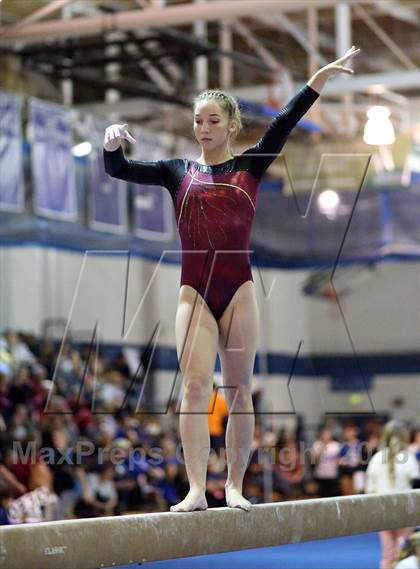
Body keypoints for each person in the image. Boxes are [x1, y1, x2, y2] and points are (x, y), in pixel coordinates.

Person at [103, 46, 361, 512]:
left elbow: (285, 120)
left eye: (213, 121)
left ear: (231, 125)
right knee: (196, 388)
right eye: (198, 121)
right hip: (194, 294)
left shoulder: (251, 166)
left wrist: (318, 79)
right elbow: (119, 168)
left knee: (240, 389)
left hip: (238, 291)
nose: (203, 129)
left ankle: (236, 485)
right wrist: (109, 144)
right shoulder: (175, 171)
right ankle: (198, 489)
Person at [365, 420, 420, 569]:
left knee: (388, 554)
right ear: (404, 437)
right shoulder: (409, 458)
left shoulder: (376, 459)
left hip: (383, 511)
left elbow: (369, 490)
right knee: (403, 552)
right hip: (405, 511)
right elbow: (416, 485)